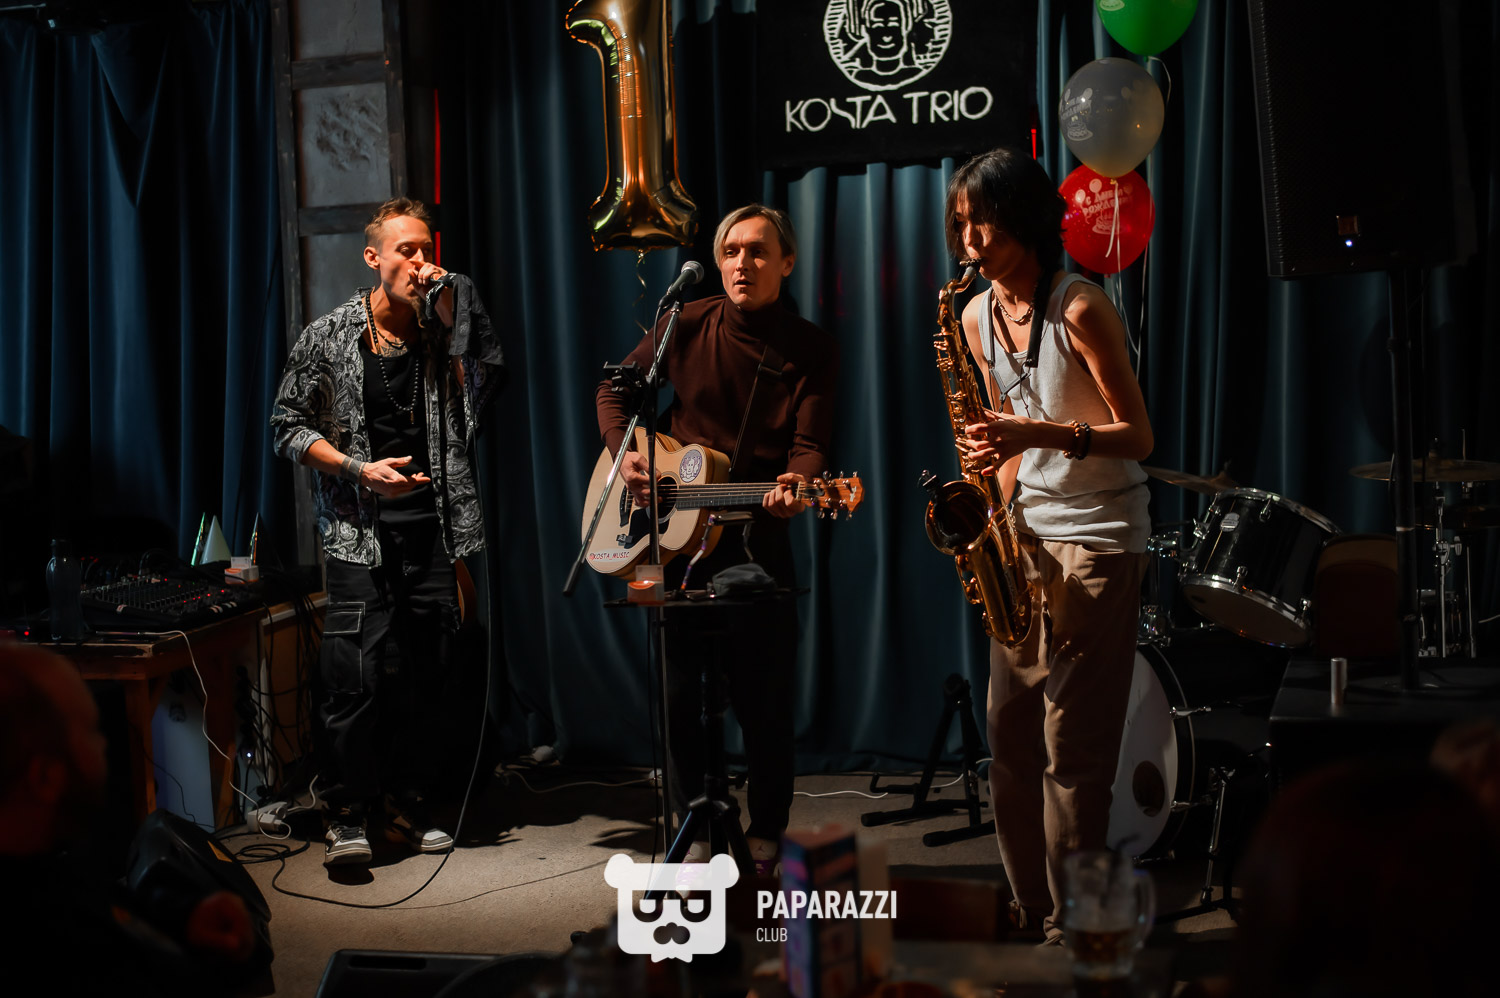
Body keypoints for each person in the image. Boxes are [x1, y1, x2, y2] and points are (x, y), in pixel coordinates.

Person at [947, 147, 1153, 942]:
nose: (970, 239)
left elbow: (1138, 436)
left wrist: (1034, 433)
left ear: (1027, 219)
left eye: (984, 221)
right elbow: (1004, 446)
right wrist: (992, 524)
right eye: (960, 223)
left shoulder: (1081, 307)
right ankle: (1031, 905)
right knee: (1008, 735)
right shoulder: (973, 317)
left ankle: (1079, 925)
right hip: (1024, 539)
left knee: (1074, 745)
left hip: (1099, 538)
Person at [594, 204, 838, 871]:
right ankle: (693, 826)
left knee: (764, 699)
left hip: (755, 535)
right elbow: (614, 392)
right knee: (678, 698)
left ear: (787, 262)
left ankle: (767, 831)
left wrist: (796, 484)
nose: (741, 264)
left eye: (758, 252)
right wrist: (625, 455)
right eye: (731, 251)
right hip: (672, 539)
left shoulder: (809, 348)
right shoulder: (684, 321)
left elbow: (811, 446)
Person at [271, 197, 504, 866]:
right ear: (374, 257)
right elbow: (287, 427)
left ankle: (407, 802)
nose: (420, 261)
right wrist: (357, 470)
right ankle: (346, 812)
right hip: (358, 533)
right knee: (355, 677)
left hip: (433, 529)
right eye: (406, 250)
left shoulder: (440, 334)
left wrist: (456, 311)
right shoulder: (329, 335)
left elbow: (488, 384)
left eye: (426, 248)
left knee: (431, 671)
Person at [0, 643, 257, 994]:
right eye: (91, 732)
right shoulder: (57, 943)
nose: (103, 746)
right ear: (45, 777)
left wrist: (184, 918)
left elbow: (103, 904)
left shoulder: (44, 869)